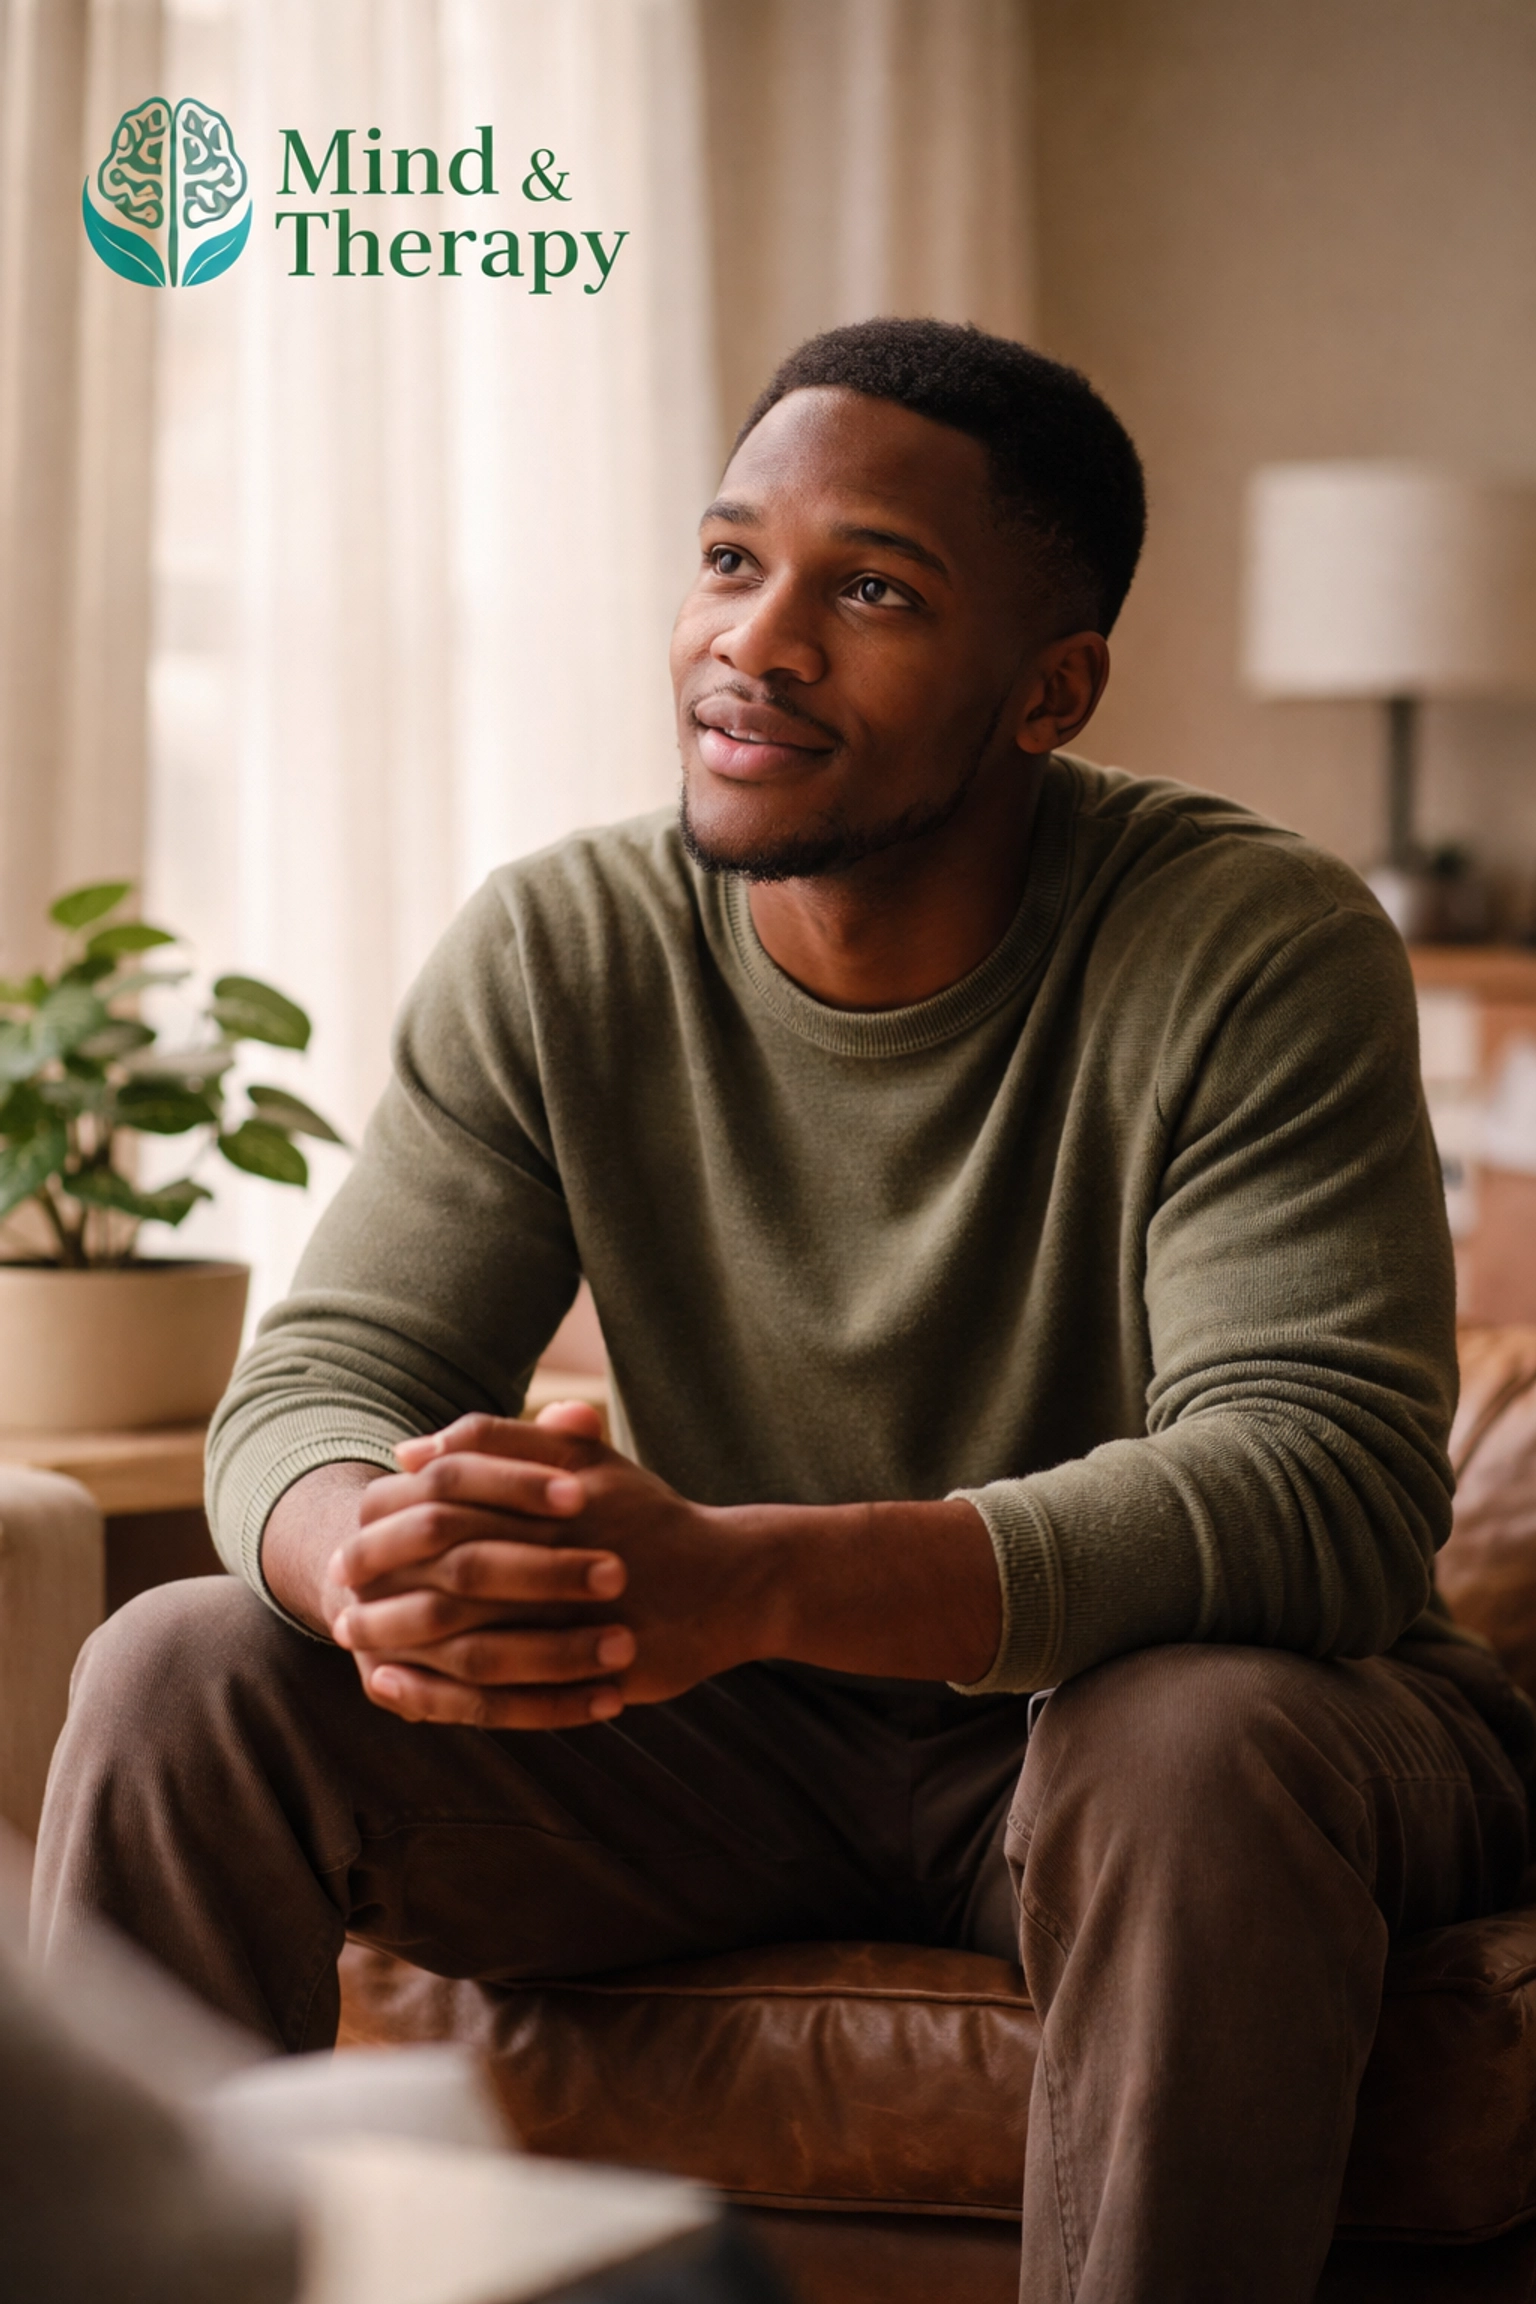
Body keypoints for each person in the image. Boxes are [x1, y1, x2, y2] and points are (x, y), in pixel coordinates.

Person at [32, 319, 1534, 2304]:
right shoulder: (562, 948)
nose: (760, 639)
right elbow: (324, 1381)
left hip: (1182, 1736)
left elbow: (1320, 1496)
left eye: (875, 590)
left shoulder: (1250, 943)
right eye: (733, 560)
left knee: (1187, 1738)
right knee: (186, 1667)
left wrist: (743, 1584)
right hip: (726, 1755)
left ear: (1049, 694)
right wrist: (369, 1550)